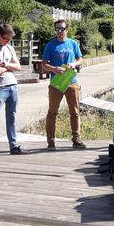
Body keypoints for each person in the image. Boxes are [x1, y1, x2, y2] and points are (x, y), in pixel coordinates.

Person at [0, 23, 29, 160]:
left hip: (13, 85)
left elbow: (18, 66)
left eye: (9, 39)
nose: (7, 41)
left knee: (12, 118)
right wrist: (6, 68)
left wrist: (5, 65)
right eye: (5, 38)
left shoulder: (9, 48)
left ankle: (13, 146)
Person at [42, 19, 85, 149]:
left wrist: (74, 64)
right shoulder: (50, 45)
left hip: (71, 81)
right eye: (58, 29)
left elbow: (80, 59)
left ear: (67, 30)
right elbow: (44, 64)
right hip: (56, 82)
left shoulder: (73, 43)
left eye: (62, 29)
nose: (60, 31)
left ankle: (76, 139)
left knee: (75, 112)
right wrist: (54, 69)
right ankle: (51, 141)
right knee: (52, 112)